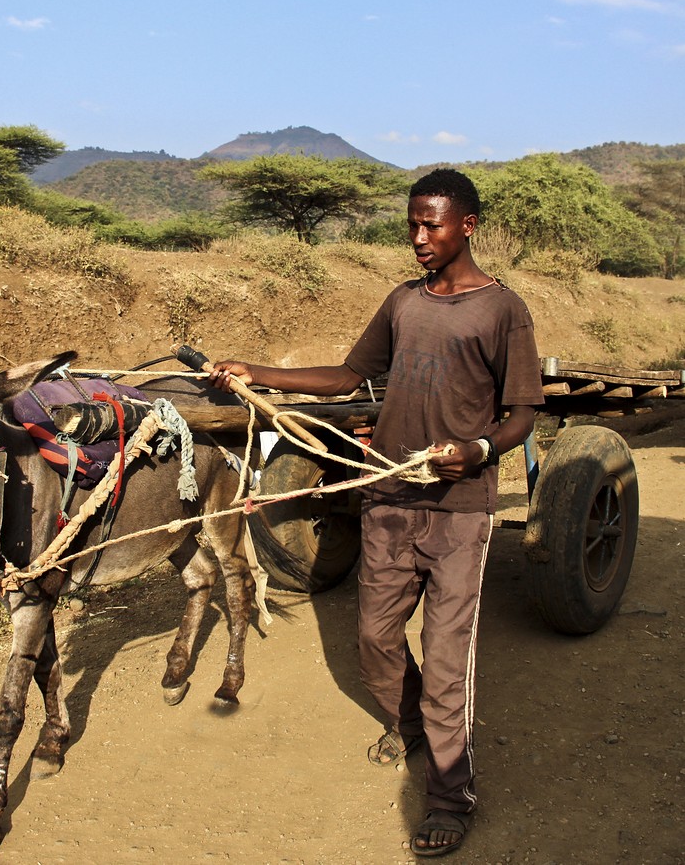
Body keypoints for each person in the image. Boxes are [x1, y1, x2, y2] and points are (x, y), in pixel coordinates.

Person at [206, 168, 544, 857]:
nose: (418, 237)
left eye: (432, 225)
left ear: (467, 226)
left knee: (447, 663)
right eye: (412, 224)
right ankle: (410, 720)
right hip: (388, 498)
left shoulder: (501, 310)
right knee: (374, 640)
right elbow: (346, 376)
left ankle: (450, 794)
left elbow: (523, 411)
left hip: (457, 508)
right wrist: (257, 373)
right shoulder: (401, 302)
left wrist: (478, 448)